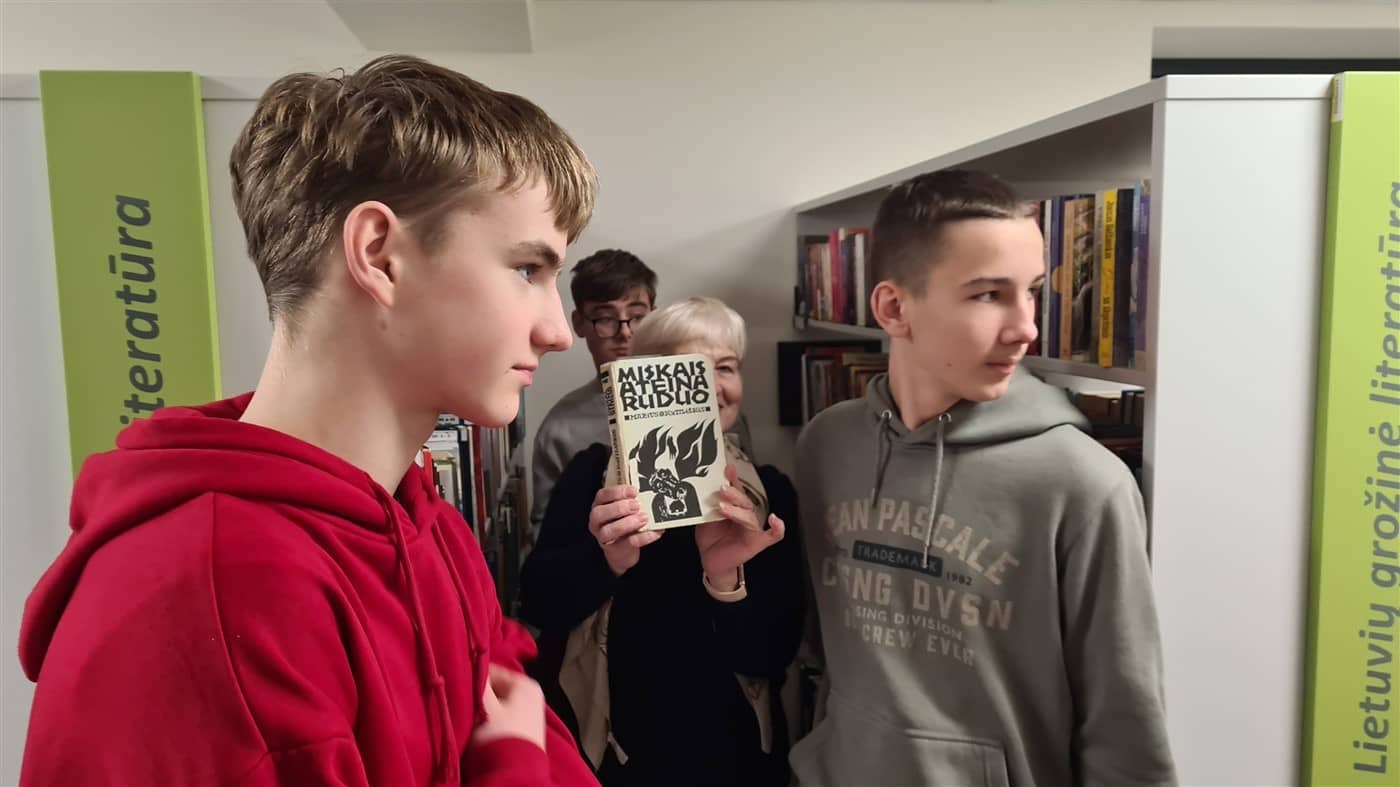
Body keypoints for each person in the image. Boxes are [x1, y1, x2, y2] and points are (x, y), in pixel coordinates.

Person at [19, 54, 601, 787]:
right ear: (379, 255)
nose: (559, 332)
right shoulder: (213, 601)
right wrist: (511, 762)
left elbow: (522, 704)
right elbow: (523, 734)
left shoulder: (431, 529)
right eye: (526, 270)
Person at [790, 169, 1176, 787]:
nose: (1026, 327)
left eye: (1032, 292)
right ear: (894, 308)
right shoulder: (826, 446)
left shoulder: (1082, 484)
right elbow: (818, 648)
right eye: (989, 295)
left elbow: (1126, 732)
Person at [518, 297, 805, 787]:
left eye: (726, 367)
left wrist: (725, 581)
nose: (712, 386)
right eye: (690, 371)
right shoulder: (592, 475)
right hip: (609, 758)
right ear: (643, 385)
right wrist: (606, 561)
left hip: (731, 760)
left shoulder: (769, 493)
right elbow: (538, 603)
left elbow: (771, 655)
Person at [530, 249, 657, 541]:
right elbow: (546, 534)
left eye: (637, 317)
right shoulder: (561, 428)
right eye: (605, 318)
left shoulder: (706, 403)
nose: (625, 333)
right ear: (579, 323)